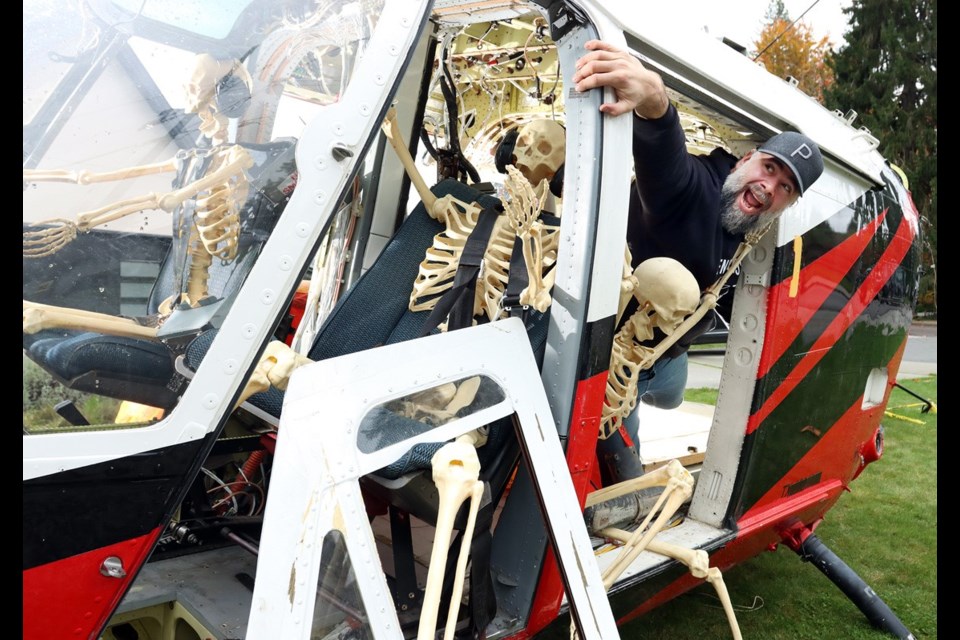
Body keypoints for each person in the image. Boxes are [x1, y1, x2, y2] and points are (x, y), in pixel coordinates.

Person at [573, 40, 825, 483]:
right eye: (769, 168)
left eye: (785, 187)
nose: (770, 187)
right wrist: (654, 98)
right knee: (622, 471)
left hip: (675, 357)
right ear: (745, 160)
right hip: (626, 357)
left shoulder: (748, 229)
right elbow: (666, 160)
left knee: (671, 398)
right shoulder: (695, 190)